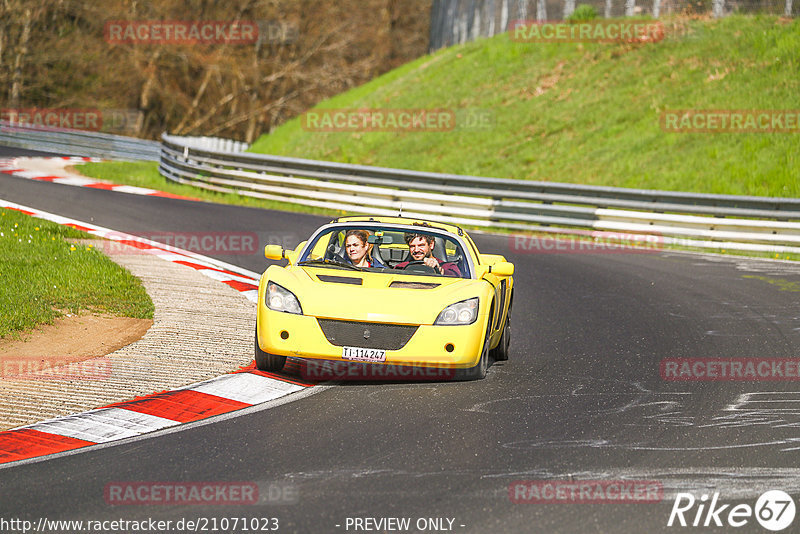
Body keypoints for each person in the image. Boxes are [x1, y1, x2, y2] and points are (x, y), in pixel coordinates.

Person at [394, 231, 461, 277]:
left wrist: (440, 270)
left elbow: (458, 279)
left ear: (431, 244)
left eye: (421, 245)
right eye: (412, 246)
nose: (416, 250)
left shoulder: (448, 267)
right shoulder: (401, 267)